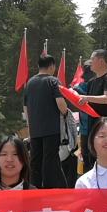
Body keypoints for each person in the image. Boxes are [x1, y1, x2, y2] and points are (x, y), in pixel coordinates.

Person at [23, 54, 69, 189]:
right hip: (51, 129)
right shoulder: (53, 81)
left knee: (35, 161)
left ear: (39, 66)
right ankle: (52, 189)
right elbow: (61, 103)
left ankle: (34, 188)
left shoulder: (29, 83)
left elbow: (25, 108)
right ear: (52, 66)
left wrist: (30, 127)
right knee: (50, 160)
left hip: (35, 130)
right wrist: (66, 113)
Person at [77, 50, 107, 165]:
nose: (90, 62)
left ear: (101, 61)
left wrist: (86, 98)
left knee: (104, 160)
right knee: (90, 160)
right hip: (92, 127)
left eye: (92, 59)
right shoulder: (92, 82)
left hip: (105, 127)